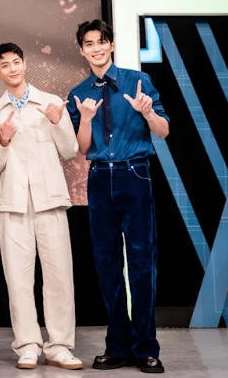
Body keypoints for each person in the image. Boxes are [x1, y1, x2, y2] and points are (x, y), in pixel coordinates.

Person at [67, 21, 169, 374]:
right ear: (81, 50)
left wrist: (147, 112)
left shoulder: (137, 81)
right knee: (107, 263)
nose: (96, 49)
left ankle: (146, 348)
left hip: (134, 174)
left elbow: (164, 130)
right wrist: (86, 118)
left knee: (142, 262)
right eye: (89, 44)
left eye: (101, 42)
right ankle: (117, 346)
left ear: (111, 45)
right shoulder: (79, 92)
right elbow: (82, 148)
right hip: (99, 178)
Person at [0, 43, 83, 371]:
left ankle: (60, 346)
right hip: (13, 203)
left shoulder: (51, 102)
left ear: (25, 64)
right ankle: (27, 345)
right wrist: (3, 140)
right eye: (5, 65)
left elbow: (69, 150)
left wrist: (58, 122)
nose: (13, 68)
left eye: (17, 62)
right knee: (18, 279)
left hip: (49, 199)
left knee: (59, 276)